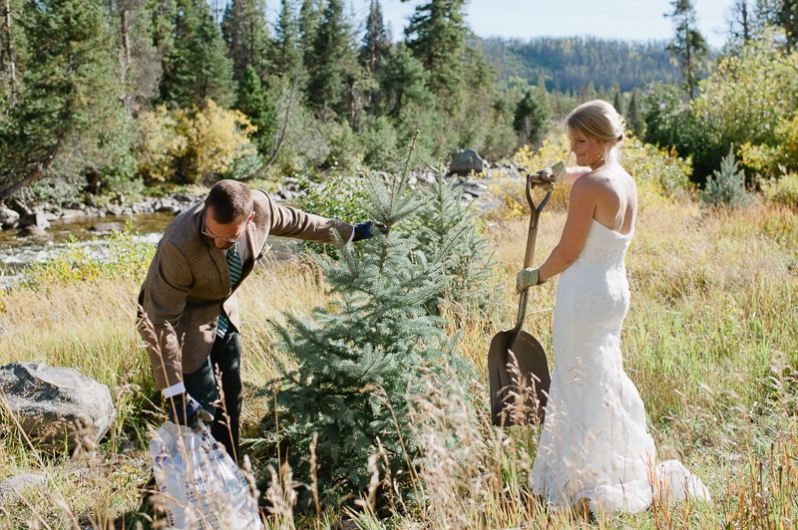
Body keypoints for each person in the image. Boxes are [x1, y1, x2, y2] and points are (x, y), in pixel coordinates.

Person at [516, 100, 710, 515]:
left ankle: (582, 474)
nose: (575, 151)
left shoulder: (589, 188)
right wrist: (557, 173)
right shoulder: (624, 180)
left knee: (575, 378)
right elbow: (586, 173)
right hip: (614, 291)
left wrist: (535, 276)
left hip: (584, 293)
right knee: (602, 375)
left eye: (582, 142)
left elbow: (568, 252)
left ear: (604, 139)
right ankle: (616, 460)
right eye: (571, 143)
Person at [138, 180, 375, 462]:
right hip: (184, 320)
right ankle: (176, 491)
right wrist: (174, 392)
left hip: (224, 310)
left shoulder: (260, 207)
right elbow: (160, 321)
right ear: (206, 213)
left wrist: (353, 233)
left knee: (231, 399)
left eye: (227, 239)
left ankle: (230, 471)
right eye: (210, 233)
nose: (217, 243)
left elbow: (300, 222)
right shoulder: (179, 242)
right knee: (202, 410)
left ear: (249, 219)